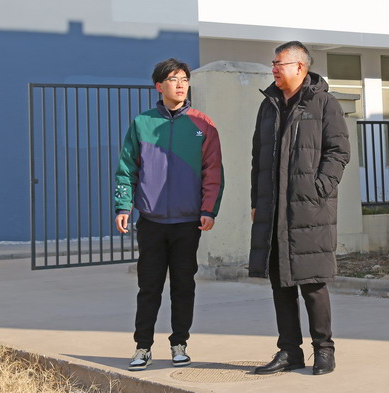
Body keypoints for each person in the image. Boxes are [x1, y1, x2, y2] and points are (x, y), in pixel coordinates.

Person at [114, 58, 224, 371]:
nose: (180, 85)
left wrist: (209, 209)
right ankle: (142, 347)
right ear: (159, 86)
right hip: (151, 222)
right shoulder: (142, 123)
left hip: (187, 223)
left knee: (183, 286)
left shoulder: (203, 124)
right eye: (173, 79)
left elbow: (213, 171)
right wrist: (123, 205)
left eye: (184, 79)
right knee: (149, 287)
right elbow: (127, 168)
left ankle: (179, 344)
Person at [249, 41, 350, 376]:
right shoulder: (269, 105)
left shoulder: (324, 103)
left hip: (309, 208)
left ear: (300, 67)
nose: (274, 69)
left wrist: (318, 188)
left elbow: (339, 152)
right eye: (273, 63)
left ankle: (324, 350)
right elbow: (258, 158)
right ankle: (289, 351)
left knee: (312, 282)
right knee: (280, 282)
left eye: (279, 63)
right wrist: (256, 201)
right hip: (273, 207)